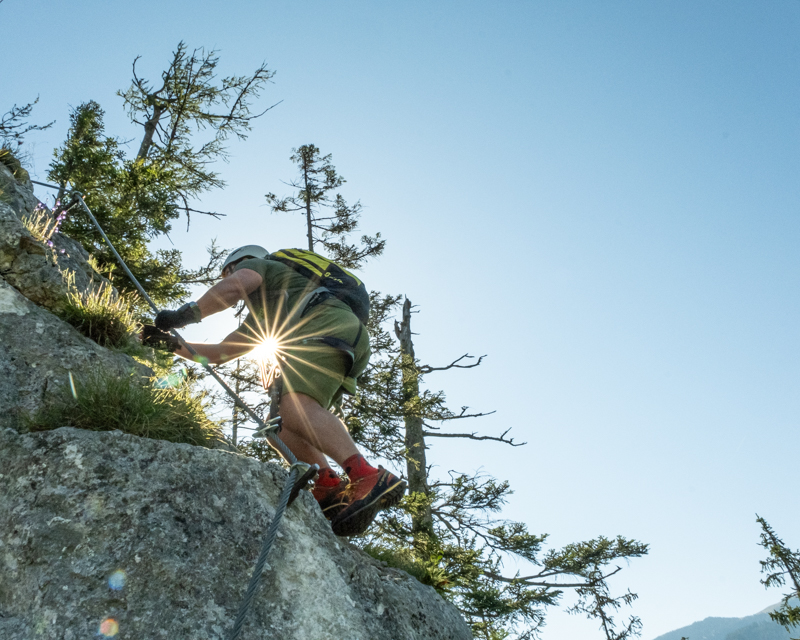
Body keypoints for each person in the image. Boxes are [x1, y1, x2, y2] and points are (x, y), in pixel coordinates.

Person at [145, 245, 406, 537]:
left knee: (295, 407)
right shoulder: (265, 314)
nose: (230, 277)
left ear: (238, 264)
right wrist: (174, 346)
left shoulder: (263, 266)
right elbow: (221, 353)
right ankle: (328, 487)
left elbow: (236, 285)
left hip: (326, 320)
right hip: (340, 330)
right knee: (281, 427)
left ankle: (366, 475)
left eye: (228, 271)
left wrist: (187, 315)